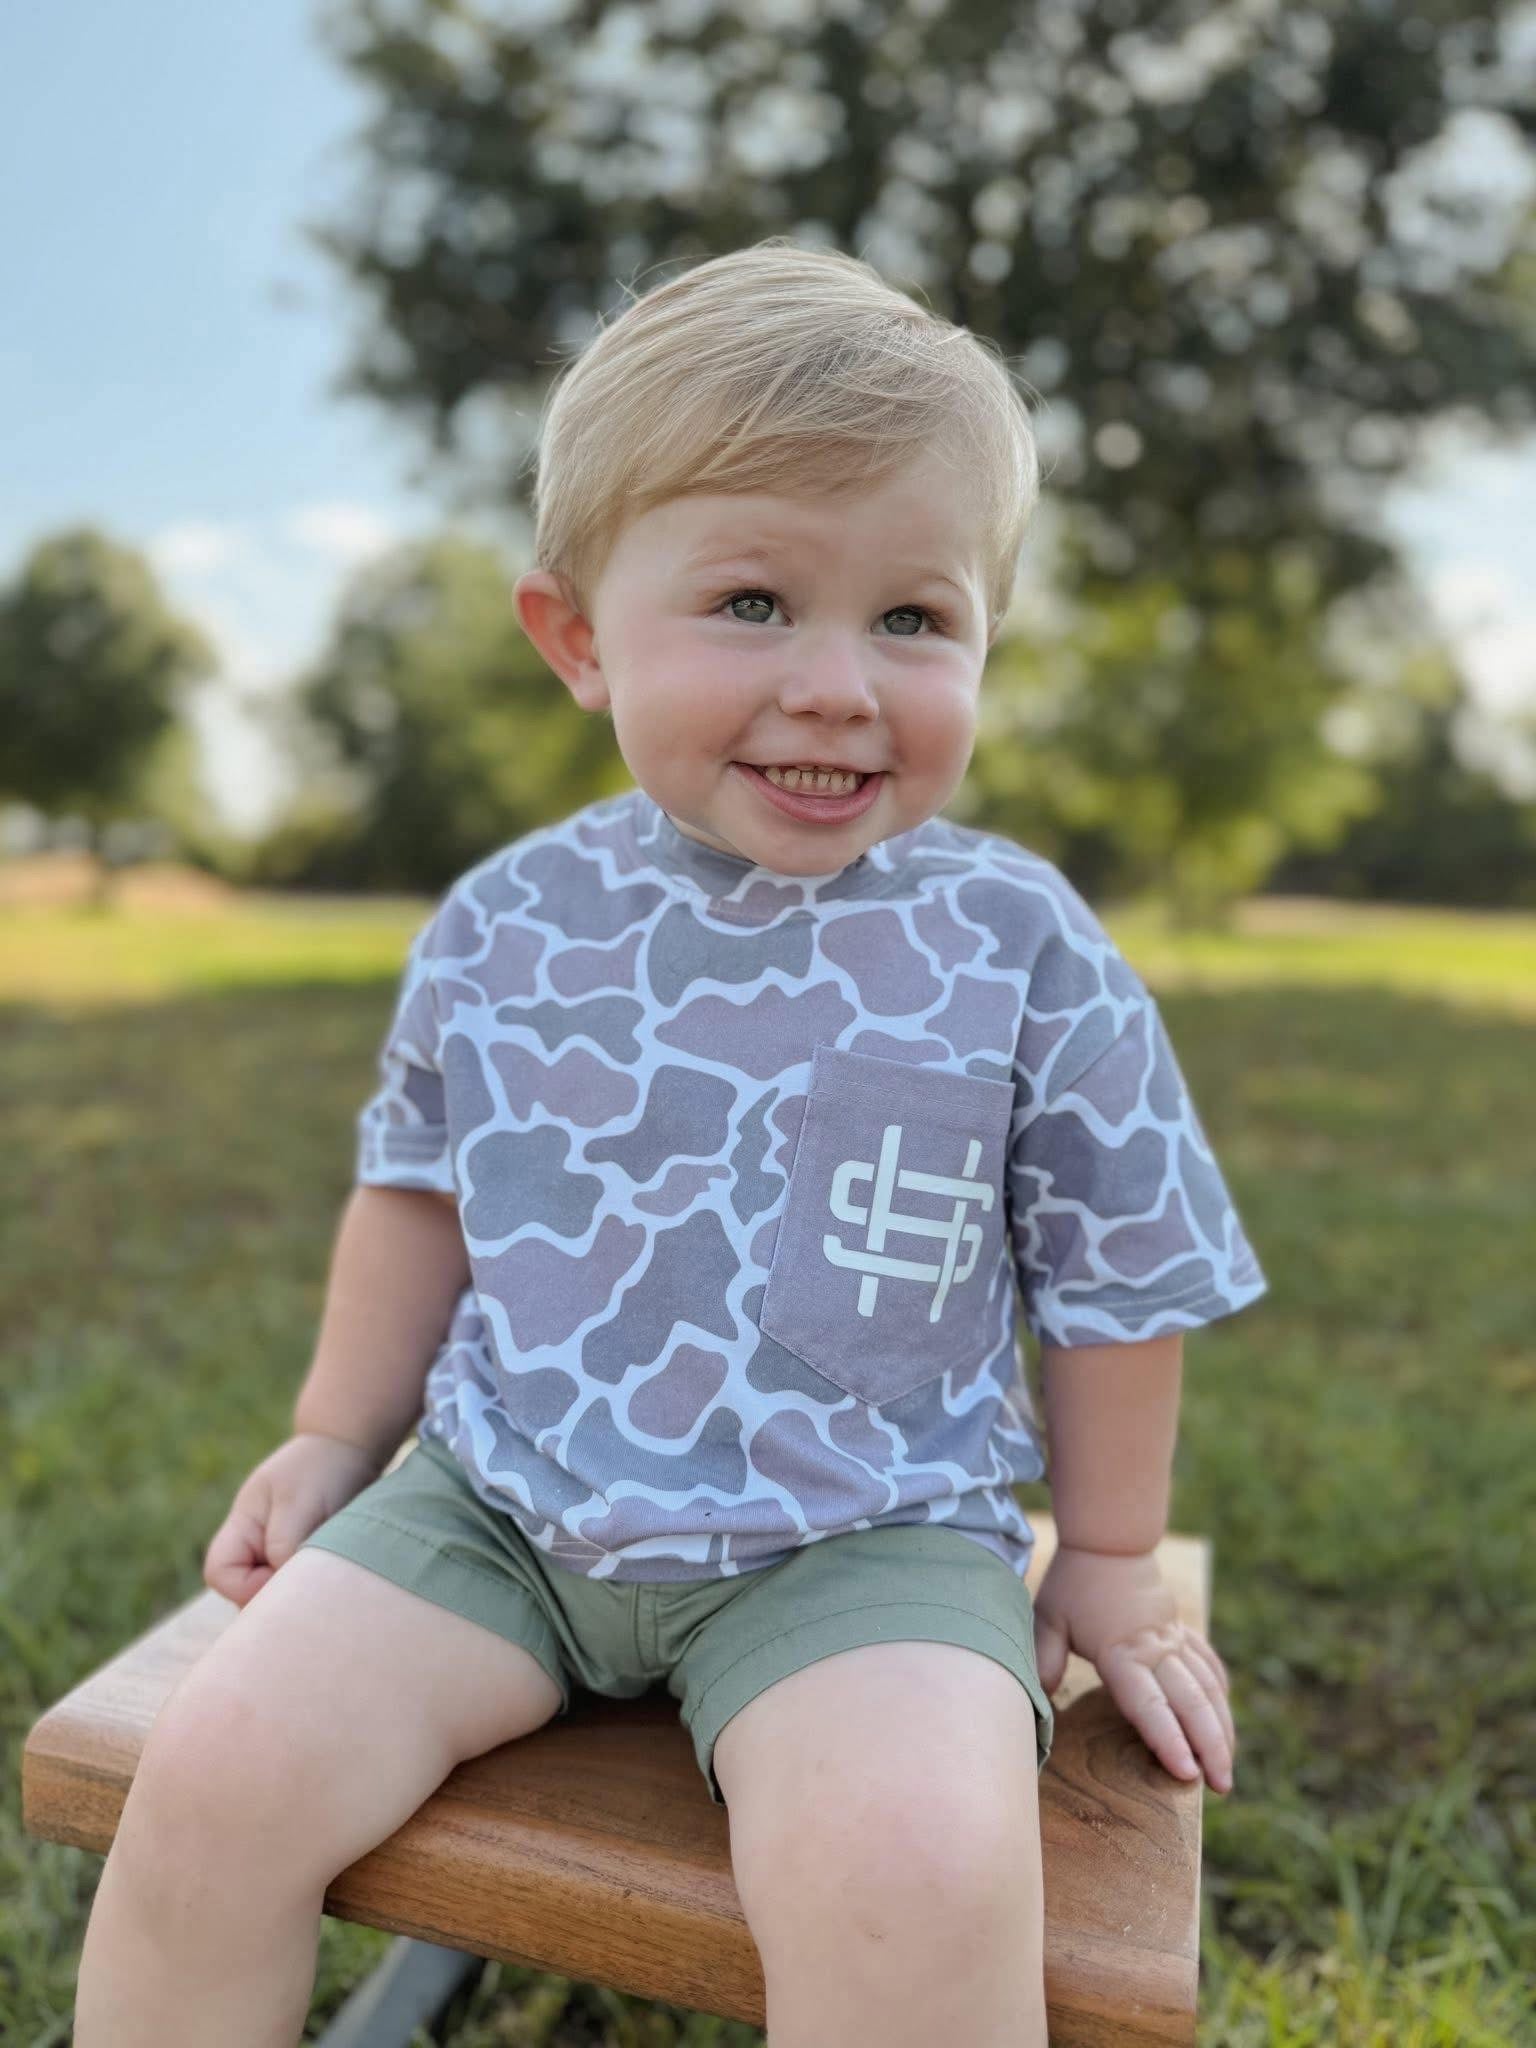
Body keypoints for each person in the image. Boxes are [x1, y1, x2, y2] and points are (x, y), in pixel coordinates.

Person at [74, 237, 1267, 2048]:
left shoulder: (1016, 946)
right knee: (213, 1776)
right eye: (754, 603)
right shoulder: (505, 925)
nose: (838, 683)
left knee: (918, 1876)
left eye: (914, 619)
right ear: (577, 637)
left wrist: (1105, 1558)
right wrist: (333, 1435)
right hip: (498, 1503)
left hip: (860, 1539)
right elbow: (419, 1192)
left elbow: (1120, 1270)